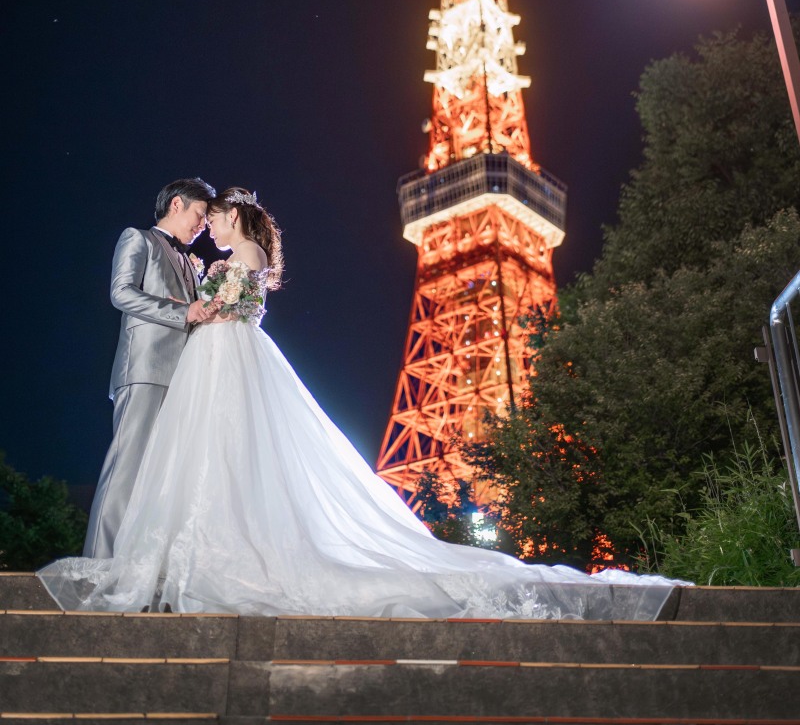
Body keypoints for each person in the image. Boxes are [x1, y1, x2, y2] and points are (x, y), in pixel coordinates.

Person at [40, 187, 686, 620]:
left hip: (222, 357)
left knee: (220, 453)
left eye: (217, 217)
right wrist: (203, 307)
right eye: (204, 218)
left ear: (234, 217)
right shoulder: (208, 252)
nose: (209, 225)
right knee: (217, 456)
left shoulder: (241, 255)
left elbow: (238, 304)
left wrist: (209, 307)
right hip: (208, 361)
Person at [82, 177, 217, 559]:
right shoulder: (137, 239)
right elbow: (120, 292)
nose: (203, 226)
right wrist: (182, 310)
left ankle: (137, 563)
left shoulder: (191, 263)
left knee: (161, 476)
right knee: (126, 467)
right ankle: (99, 563)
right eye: (200, 215)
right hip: (144, 370)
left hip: (181, 379)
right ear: (177, 205)